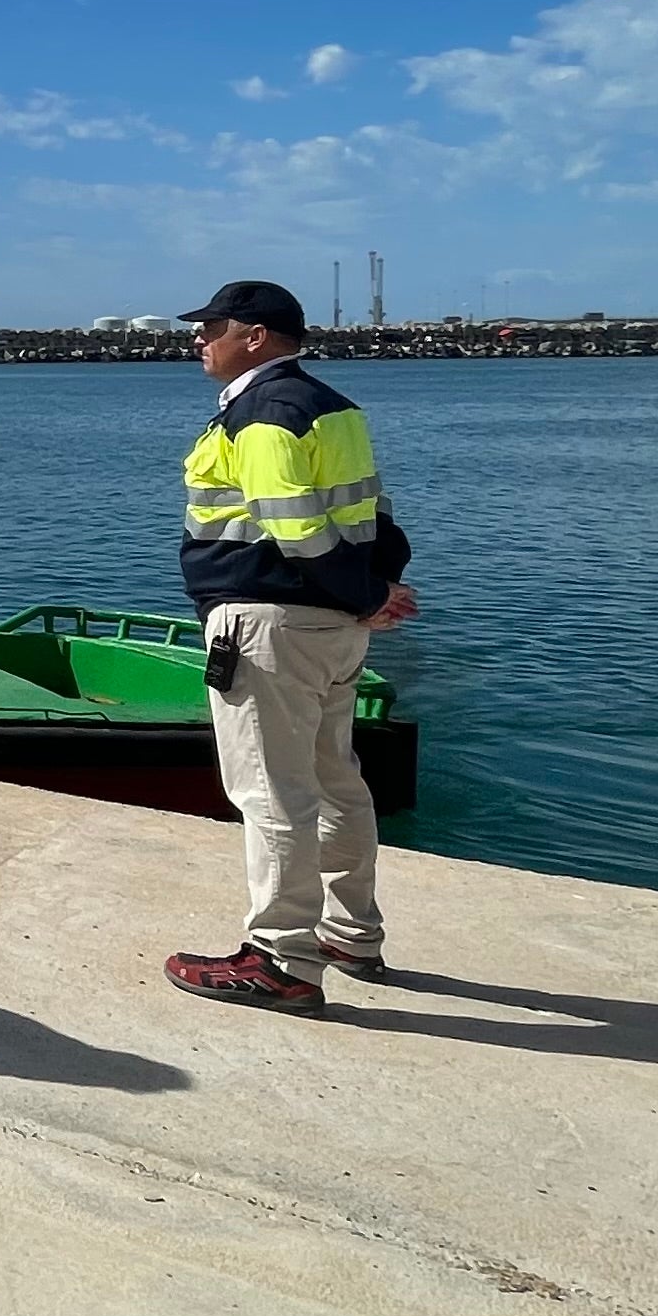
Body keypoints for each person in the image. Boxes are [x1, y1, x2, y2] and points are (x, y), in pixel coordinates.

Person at [160, 280, 420, 1014]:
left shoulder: (263, 416)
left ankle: (280, 959)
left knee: (272, 792)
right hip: (330, 631)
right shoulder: (335, 408)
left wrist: (367, 595)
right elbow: (376, 515)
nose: (198, 338)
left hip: (269, 624)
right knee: (334, 779)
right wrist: (371, 591)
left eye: (211, 325)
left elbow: (294, 526)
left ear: (256, 335)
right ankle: (350, 934)